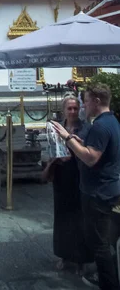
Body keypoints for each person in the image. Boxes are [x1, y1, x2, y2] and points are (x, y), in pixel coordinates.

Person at [52, 83, 120, 290]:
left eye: (86, 101)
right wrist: (77, 140)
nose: (84, 106)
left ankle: (108, 283)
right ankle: (110, 278)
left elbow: (91, 158)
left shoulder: (99, 125)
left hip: (98, 193)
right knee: (107, 242)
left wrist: (67, 138)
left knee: (100, 245)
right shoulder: (112, 121)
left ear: (97, 101)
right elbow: (96, 151)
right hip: (109, 189)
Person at [43, 95, 92, 273]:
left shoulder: (85, 129)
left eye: (75, 108)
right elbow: (51, 148)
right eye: (69, 108)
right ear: (63, 110)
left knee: (80, 218)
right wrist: (53, 161)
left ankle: (81, 259)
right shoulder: (57, 127)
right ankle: (64, 254)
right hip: (61, 175)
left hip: (79, 176)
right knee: (62, 217)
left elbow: (89, 152)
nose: (72, 112)